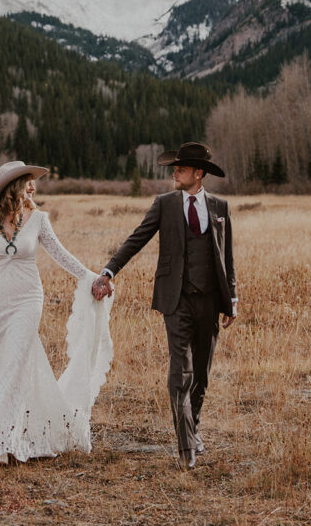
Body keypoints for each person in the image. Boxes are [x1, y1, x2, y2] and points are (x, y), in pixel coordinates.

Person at [0, 160, 113, 465]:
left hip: (28, 298)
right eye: (27, 181)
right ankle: (15, 434)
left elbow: (61, 254)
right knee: (7, 365)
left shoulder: (38, 219)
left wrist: (93, 277)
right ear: (14, 187)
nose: (33, 186)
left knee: (15, 364)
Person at [92, 142, 237, 470]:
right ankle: (186, 446)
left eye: (182, 169)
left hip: (211, 300)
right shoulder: (165, 204)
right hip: (176, 299)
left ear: (199, 174)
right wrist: (108, 271)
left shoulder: (220, 207)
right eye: (176, 168)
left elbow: (226, 256)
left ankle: (193, 427)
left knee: (202, 371)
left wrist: (232, 299)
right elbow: (136, 238)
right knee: (180, 372)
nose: (175, 172)